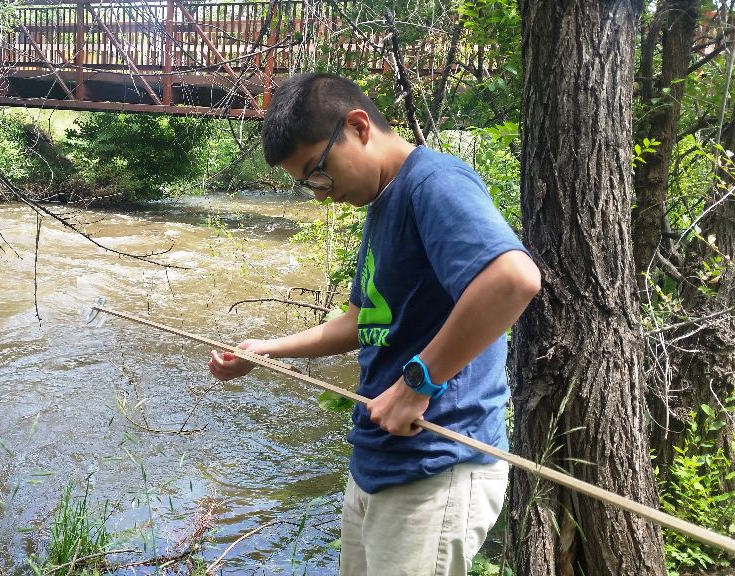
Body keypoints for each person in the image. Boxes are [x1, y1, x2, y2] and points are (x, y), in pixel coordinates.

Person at [207, 73, 541, 576]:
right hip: (380, 463)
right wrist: (268, 350)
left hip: (436, 463)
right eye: (306, 185)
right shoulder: (382, 204)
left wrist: (417, 382)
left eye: (318, 172)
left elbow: (513, 279)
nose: (319, 194)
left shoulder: (433, 183)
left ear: (359, 126)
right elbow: (363, 321)